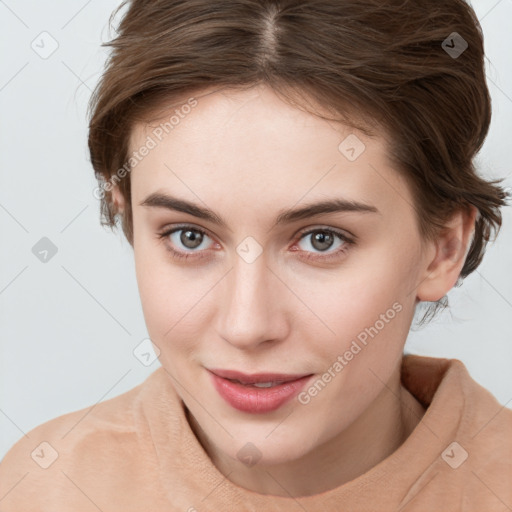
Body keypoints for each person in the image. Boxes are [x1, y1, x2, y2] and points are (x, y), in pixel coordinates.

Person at [1, 0, 510, 510]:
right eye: (190, 236)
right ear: (129, 217)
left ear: (444, 248)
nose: (247, 326)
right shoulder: (44, 489)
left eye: (321, 240)